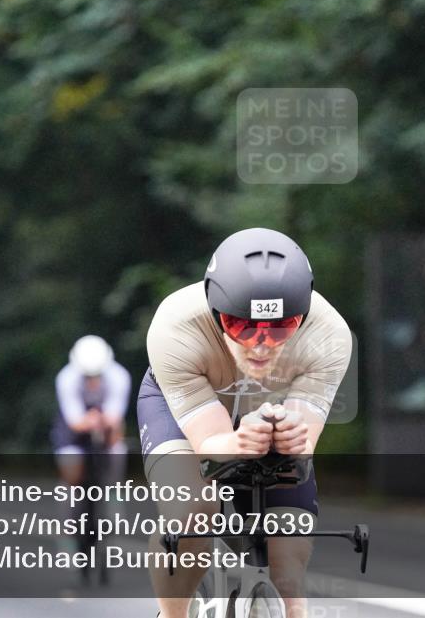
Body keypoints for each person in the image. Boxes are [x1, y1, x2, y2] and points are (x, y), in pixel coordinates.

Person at [139, 228, 352, 618]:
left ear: (302, 317)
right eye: (242, 326)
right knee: (192, 510)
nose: (260, 344)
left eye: (280, 328)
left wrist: (289, 434)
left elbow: (300, 444)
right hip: (185, 410)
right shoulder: (176, 325)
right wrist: (236, 441)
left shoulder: (329, 334)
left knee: (289, 564)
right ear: (217, 312)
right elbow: (209, 443)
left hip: (271, 413)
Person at [50, 335, 131, 487]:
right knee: (71, 468)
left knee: (118, 449)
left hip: (104, 423)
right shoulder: (66, 378)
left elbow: (115, 416)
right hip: (74, 429)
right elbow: (74, 421)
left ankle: (114, 492)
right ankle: (71, 496)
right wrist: (90, 421)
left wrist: (102, 423)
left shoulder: (119, 376)